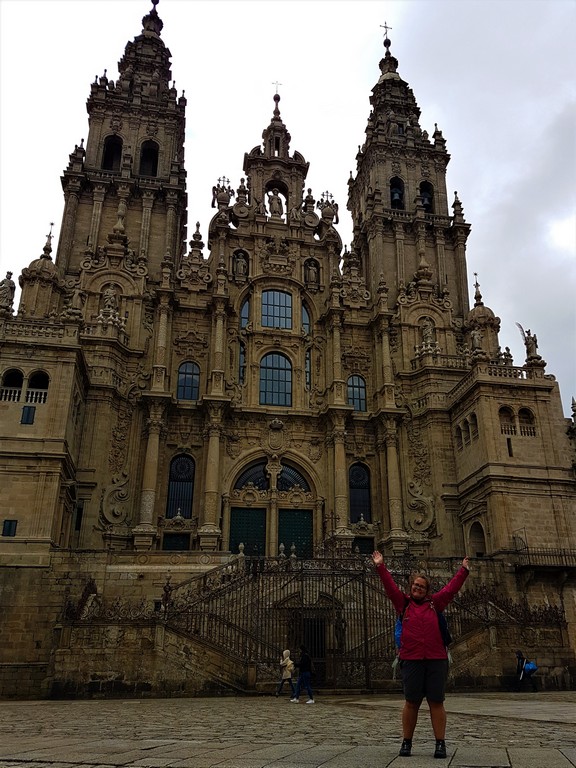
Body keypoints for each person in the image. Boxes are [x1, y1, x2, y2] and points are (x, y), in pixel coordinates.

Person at [372, 550, 470, 759]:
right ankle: (406, 742)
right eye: (415, 585)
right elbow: (389, 588)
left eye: (421, 586)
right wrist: (380, 566)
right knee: (411, 702)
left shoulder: (436, 603)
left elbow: (451, 590)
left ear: (427, 591)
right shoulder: (403, 603)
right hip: (412, 659)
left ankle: (440, 743)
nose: (417, 588)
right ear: (411, 588)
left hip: (436, 659)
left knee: (436, 701)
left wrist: (463, 570)